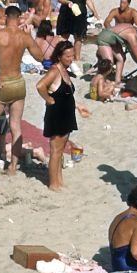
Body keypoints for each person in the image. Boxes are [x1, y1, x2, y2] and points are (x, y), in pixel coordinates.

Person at [0, 5, 44, 175]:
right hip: (18, 83)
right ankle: (13, 167)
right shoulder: (24, 37)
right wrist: (30, 36)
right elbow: (40, 56)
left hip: (1, 83)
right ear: (19, 18)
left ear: (5, 17)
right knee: (16, 126)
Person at [36, 41, 89, 192]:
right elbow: (40, 86)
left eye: (72, 55)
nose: (71, 58)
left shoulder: (65, 70)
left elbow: (66, 95)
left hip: (67, 113)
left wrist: (77, 106)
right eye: (67, 56)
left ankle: (59, 180)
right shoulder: (54, 70)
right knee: (55, 150)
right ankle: (53, 183)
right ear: (59, 56)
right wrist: (48, 99)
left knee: (60, 150)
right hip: (56, 114)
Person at [56, 0, 98, 64]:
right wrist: (68, 2)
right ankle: (60, 55)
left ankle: (77, 58)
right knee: (64, 36)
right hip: (66, 14)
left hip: (80, 15)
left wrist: (95, 12)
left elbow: (88, 0)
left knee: (78, 37)